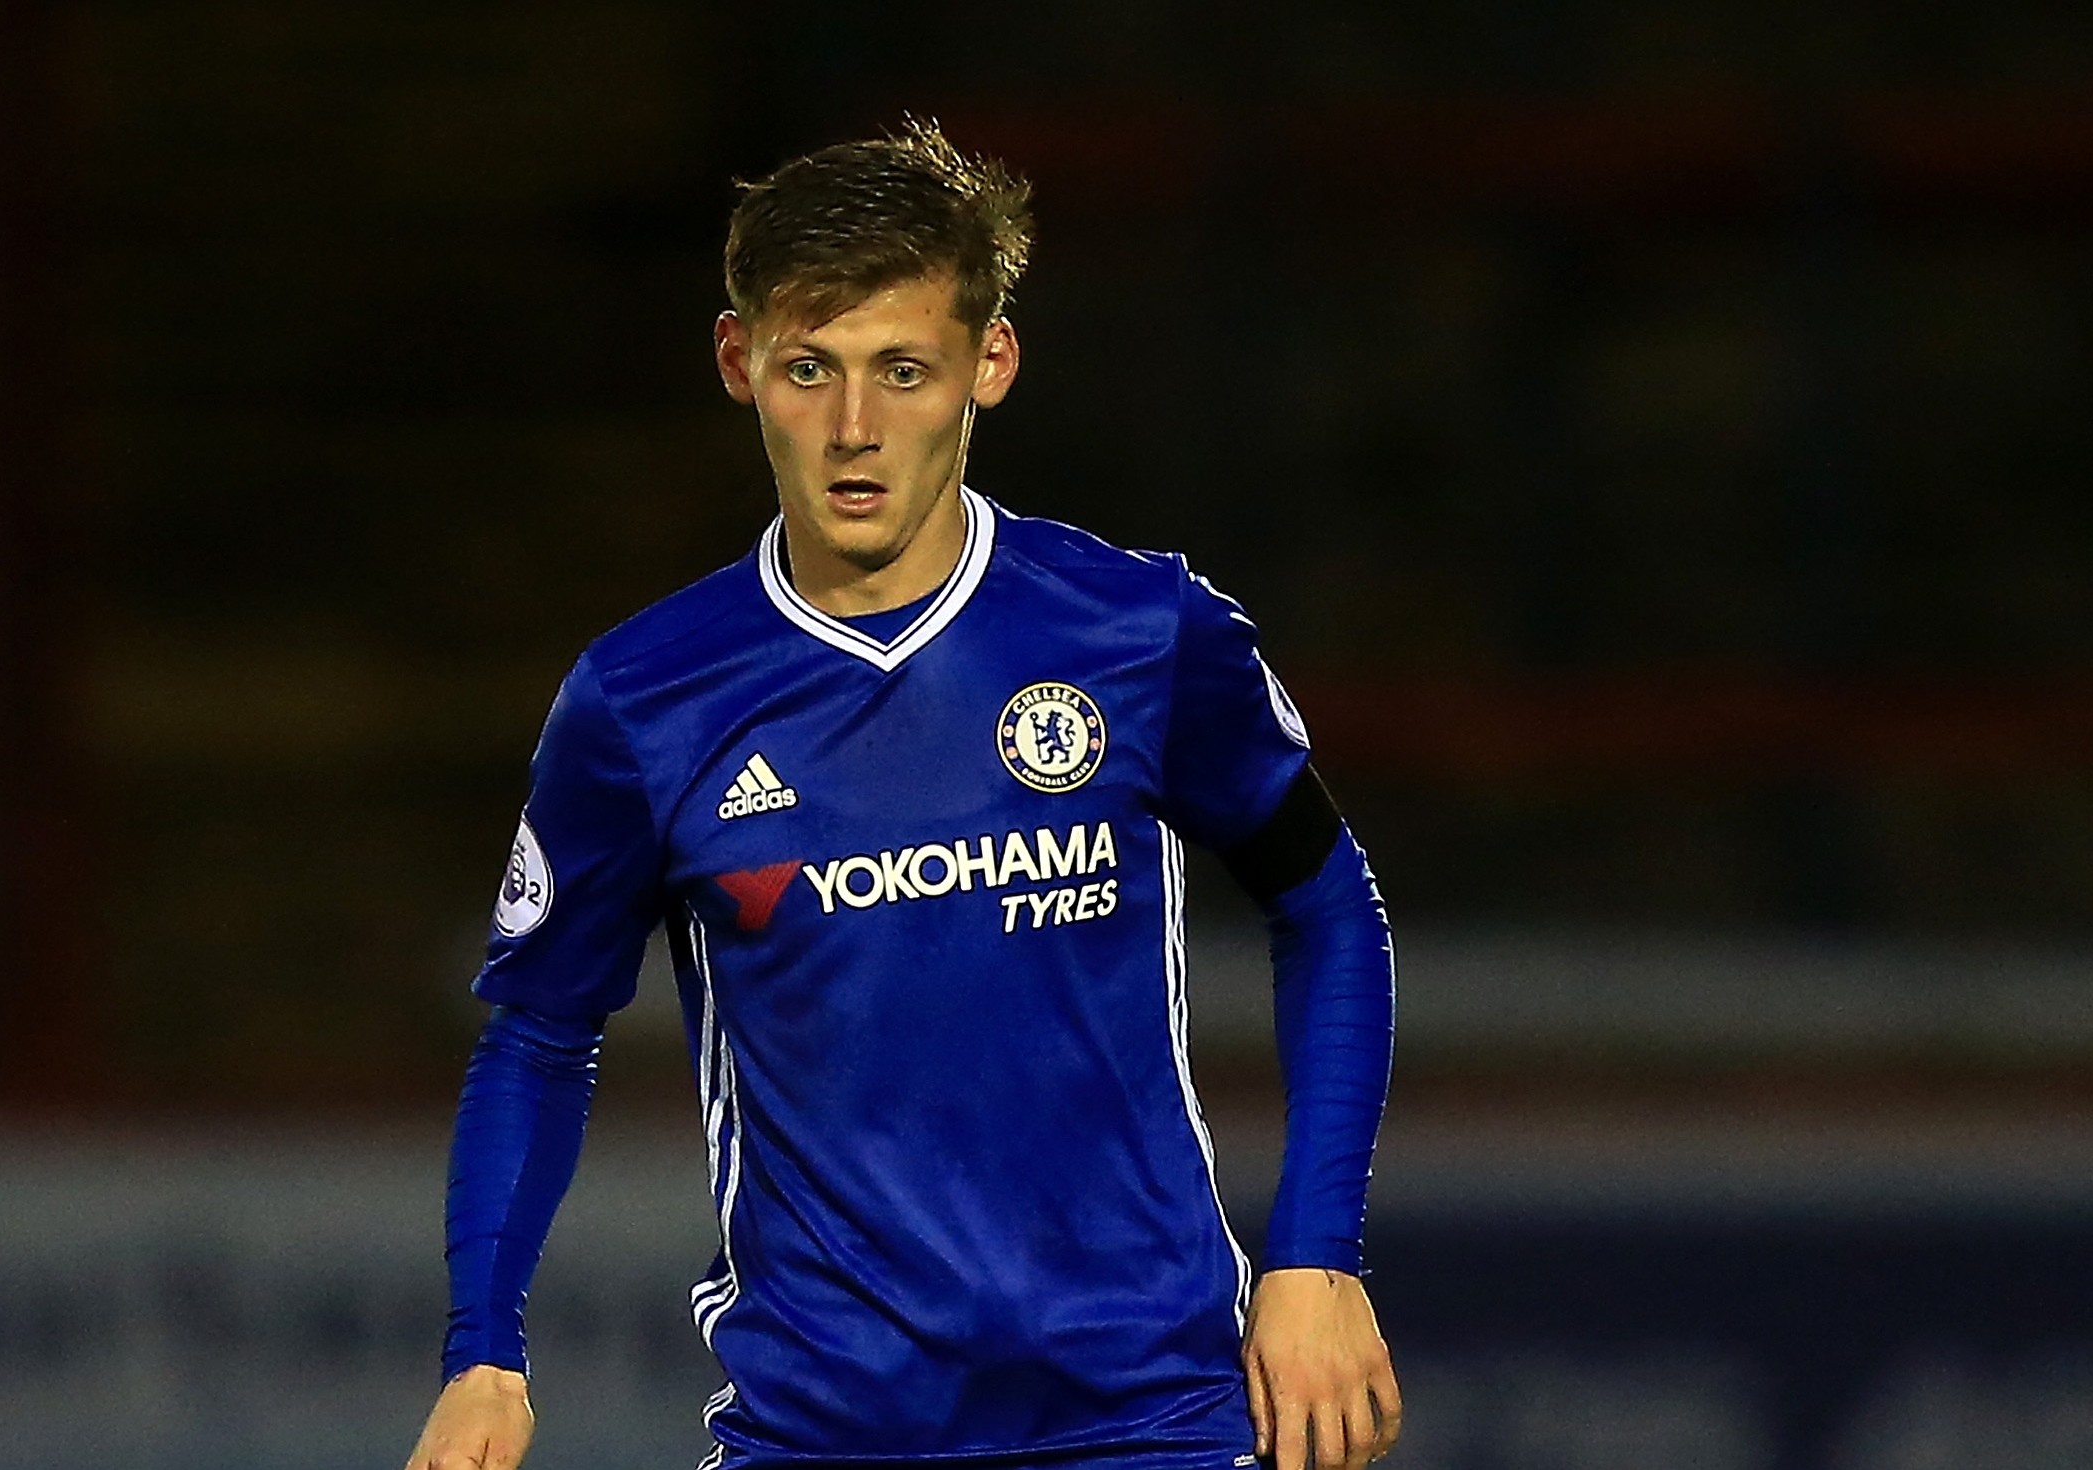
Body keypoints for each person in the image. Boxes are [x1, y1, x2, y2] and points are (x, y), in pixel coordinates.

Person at [404, 120, 1400, 1470]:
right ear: (737, 360)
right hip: (821, 1437)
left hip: (1144, 1421)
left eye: (902, 370)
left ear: (988, 365)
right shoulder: (645, 702)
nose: (853, 430)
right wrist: (483, 1351)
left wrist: (1313, 1259)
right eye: (809, 370)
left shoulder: (1138, 631)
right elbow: (534, 1035)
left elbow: (1329, 908)